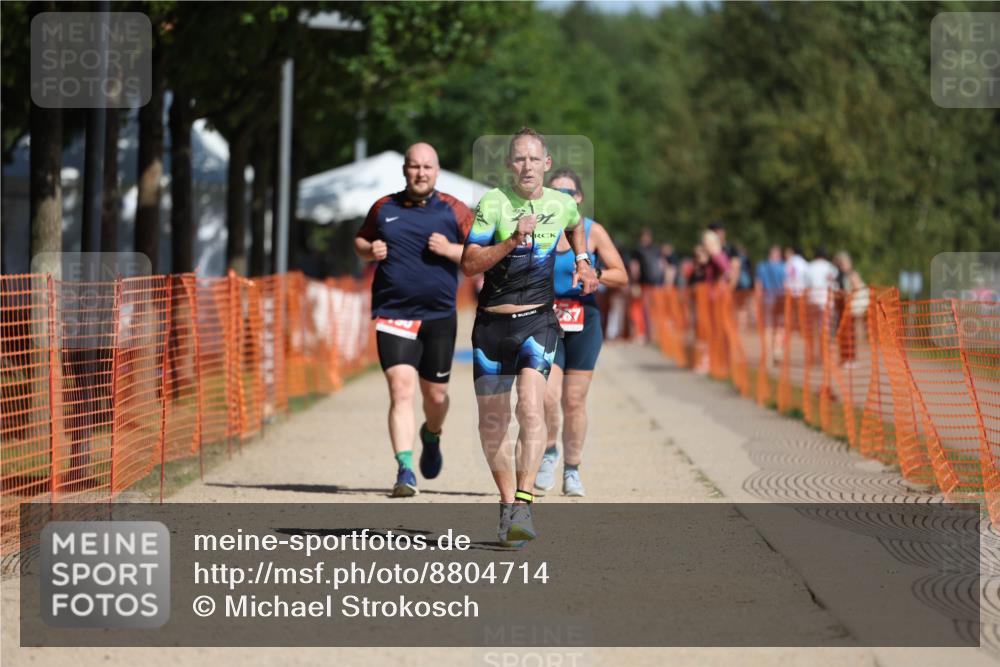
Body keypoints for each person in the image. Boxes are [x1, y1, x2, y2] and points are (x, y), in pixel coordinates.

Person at [461, 128, 599, 547]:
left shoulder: (560, 204)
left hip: (537, 323)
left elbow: (577, 226)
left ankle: (524, 503)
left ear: (546, 164)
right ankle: (507, 506)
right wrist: (513, 239)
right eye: (518, 159)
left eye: (533, 159)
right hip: (491, 326)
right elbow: (469, 264)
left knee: (531, 408)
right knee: (492, 422)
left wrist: (582, 259)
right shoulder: (493, 203)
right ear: (509, 165)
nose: (525, 166)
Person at [354, 142, 472, 497]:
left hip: (438, 315)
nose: (420, 173)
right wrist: (368, 251)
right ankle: (404, 469)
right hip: (394, 313)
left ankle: (431, 435)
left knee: (435, 397)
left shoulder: (455, 209)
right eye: (414, 166)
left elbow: (481, 255)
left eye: (427, 167)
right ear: (405, 170)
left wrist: (451, 250)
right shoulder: (384, 207)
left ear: (437, 171)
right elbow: (361, 240)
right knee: (400, 390)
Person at [535, 169, 628, 497]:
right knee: (547, 395)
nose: (562, 198)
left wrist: (595, 272)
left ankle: (572, 470)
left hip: (583, 319)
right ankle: (549, 453)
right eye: (555, 191)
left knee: (574, 400)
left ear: (579, 198)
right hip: (545, 319)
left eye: (568, 193)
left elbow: (622, 275)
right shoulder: (538, 228)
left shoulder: (593, 231)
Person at [629, 228, 665, 343]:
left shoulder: (638, 250)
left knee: (640, 308)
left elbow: (634, 268)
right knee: (650, 309)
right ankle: (651, 334)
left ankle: (641, 333)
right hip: (655, 284)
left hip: (643, 283)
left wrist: (634, 283)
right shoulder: (656, 250)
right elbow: (662, 266)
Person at [833, 251, 866, 369]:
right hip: (842, 308)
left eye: (842, 263)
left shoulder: (851, 275)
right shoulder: (840, 275)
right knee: (843, 334)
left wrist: (848, 296)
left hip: (850, 308)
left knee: (849, 334)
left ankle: (850, 358)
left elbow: (857, 288)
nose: (841, 265)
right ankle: (845, 357)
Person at [804, 248, 838, 363]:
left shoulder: (810, 267)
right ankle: (826, 355)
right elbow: (835, 284)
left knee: (815, 329)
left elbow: (806, 286)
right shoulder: (831, 267)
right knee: (826, 328)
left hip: (813, 300)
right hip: (826, 301)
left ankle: (816, 355)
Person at [756, 245, 786, 363]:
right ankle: (777, 350)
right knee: (779, 326)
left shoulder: (761, 267)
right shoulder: (783, 267)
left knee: (767, 327)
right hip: (780, 299)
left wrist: (757, 300)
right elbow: (785, 284)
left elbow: (758, 285)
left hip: (766, 299)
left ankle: (767, 353)